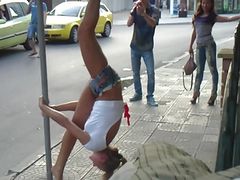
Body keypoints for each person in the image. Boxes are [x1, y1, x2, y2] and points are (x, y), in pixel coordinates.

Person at [38, 0, 127, 180]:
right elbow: (65, 123)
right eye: (97, 167)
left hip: (106, 88)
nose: (92, 165)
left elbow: (80, 108)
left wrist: (54, 107)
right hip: (105, 85)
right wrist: (45, 109)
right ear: (103, 159)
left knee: (78, 120)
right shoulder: (93, 143)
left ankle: (58, 169)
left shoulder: (103, 138)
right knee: (86, 32)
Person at [189, 0, 240, 105]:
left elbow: (228, 19)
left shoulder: (212, 17)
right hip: (199, 46)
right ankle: (195, 93)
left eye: (207, 3)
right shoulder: (196, 16)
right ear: (200, 3)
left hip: (209, 45)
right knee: (199, 71)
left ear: (211, 4)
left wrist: (238, 16)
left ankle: (213, 95)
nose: (205, 5)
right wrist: (190, 46)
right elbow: (195, 32)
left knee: (213, 69)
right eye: (203, 3)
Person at [127, 0, 160, 107]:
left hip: (147, 48)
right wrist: (133, 12)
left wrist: (143, 14)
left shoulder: (154, 10)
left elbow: (153, 23)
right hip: (135, 46)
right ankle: (138, 93)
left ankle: (150, 96)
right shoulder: (136, 9)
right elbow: (128, 24)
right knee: (135, 72)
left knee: (150, 72)